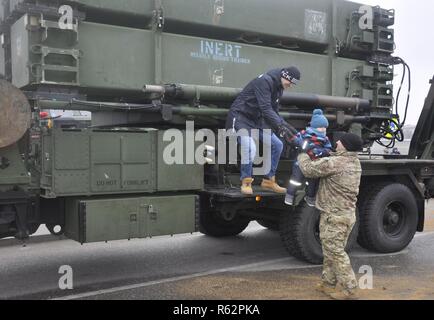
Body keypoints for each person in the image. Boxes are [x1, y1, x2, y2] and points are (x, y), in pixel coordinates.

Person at [297, 133, 364, 300]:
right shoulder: (353, 161)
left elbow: (308, 169)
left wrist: (302, 153)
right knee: (330, 251)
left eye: (340, 140)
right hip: (344, 215)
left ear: (346, 145)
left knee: (335, 252)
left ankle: (350, 290)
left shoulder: (336, 163)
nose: (337, 142)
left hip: (335, 216)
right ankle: (328, 284)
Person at [225, 67, 301, 195]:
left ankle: (268, 181)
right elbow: (266, 108)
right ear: (285, 76)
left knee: (278, 144)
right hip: (241, 117)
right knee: (250, 147)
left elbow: (274, 112)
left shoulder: (279, 88)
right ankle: (246, 181)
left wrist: (289, 129)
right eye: (290, 82)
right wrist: (279, 126)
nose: (290, 86)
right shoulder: (264, 81)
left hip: (256, 120)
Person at [285, 109, 333, 207]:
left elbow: (329, 149)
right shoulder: (304, 134)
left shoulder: (325, 139)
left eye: (325, 127)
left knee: (313, 182)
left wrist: (321, 152)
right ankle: (290, 195)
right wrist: (303, 145)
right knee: (295, 179)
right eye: (321, 127)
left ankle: (310, 197)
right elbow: (294, 140)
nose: (323, 129)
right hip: (300, 163)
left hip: (315, 163)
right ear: (314, 126)